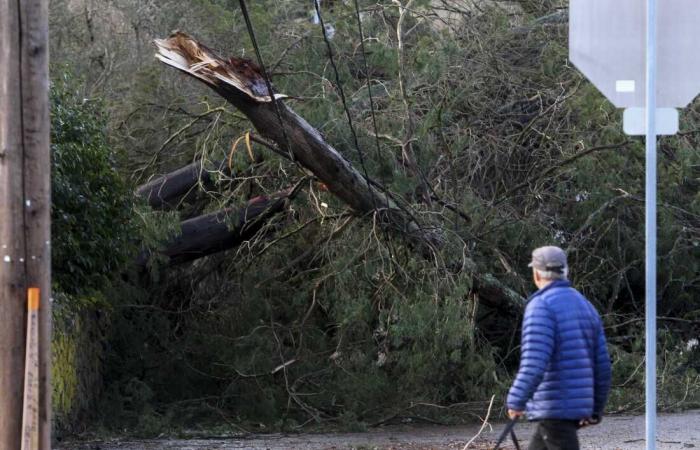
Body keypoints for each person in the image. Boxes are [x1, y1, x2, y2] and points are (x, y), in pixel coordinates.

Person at [506, 246, 612, 450]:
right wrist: (595, 409)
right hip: (561, 412)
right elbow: (603, 367)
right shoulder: (585, 305)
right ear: (565, 272)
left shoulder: (541, 306)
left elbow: (534, 363)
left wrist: (516, 400)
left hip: (554, 408)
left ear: (536, 273)